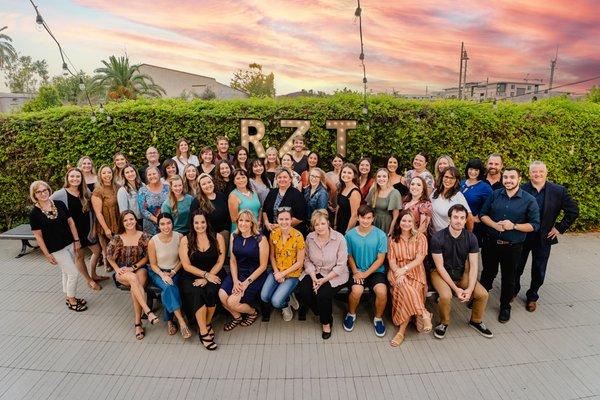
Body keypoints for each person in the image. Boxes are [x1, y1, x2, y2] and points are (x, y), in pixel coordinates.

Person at [515, 161, 579, 312]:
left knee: (539, 269)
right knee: (517, 266)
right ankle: (513, 291)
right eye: (534, 172)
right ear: (529, 173)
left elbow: (573, 210)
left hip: (544, 237)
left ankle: (532, 296)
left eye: (540, 172)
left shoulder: (558, 191)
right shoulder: (521, 189)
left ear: (546, 173)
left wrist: (559, 228)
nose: (537, 174)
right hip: (522, 235)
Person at [479, 167, 540, 323]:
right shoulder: (494, 195)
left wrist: (514, 226)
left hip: (513, 246)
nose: (508, 180)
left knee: (509, 278)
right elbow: (482, 215)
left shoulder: (529, 200)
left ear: (519, 179)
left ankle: (505, 306)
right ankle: (480, 298)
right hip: (491, 243)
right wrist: (493, 225)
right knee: (487, 273)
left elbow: (534, 225)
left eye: (512, 177)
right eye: (505, 177)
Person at [430, 204, 493, 339]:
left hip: (462, 272)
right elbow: (440, 267)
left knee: (482, 294)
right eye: (455, 217)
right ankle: (443, 323)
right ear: (449, 219)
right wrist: (456, 289)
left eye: (462, 218)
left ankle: (476, 321)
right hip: (440, 273)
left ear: (465, 220)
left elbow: (474, 265)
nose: (458, 221)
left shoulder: (471, 238)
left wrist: (469, 289)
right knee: (446, 296)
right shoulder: (437, 238)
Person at [30, 180, 87, 312]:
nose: (43, 193)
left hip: (69, 243)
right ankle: (72, 300)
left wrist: (76, 240)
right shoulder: (34, 214)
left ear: (49, 190)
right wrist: (47, 254)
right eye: (39, 192)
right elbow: (38, 236)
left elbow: (71, 222)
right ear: (35, 195)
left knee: (65, 272)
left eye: (45, 190)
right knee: (73, 273)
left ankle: (68, 296)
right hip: (55, 248)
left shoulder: (59, 204)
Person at [107, 210, 159, 341]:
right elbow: (109, 257)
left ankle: (138, 324)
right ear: (122, 223)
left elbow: (148, 257)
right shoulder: (117, 238)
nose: (129, 222)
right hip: (123, 272)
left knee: (135, 283)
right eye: (125, 220)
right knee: (132, 279)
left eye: (131, 219)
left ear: (136, 220)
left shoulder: (145, 236)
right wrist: (117, 269)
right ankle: (147, 312)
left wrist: (134, 267)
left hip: (140, 268)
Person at [297, 209, 349, 339]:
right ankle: (320, 311)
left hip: (334, 274)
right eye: (316, 225)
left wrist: (323, 281)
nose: (319, 227)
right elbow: (307, 259)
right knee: (303, 289)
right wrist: (314, 278)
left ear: (328, 223)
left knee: (323, 294)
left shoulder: (339, 239)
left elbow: (341, 265)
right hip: (315, 271)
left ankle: (326, 322)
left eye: (322, 223)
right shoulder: (310, 237)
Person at [179, 211, 226, 350]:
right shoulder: (186, 240)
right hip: (192, 275)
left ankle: (206, 323)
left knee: (212, 290)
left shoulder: (217, 237)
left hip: (214, 272)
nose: (200, 225)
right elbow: (186, 265)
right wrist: (205, 275)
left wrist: (209, 276)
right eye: (196, 223)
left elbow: (220, 260)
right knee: (197, 292)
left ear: (207, 222)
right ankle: (204, 331)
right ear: (192, 224)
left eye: (202, 222)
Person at [51, 168, 104, 291]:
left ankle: (94, 273)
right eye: (72, 176)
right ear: (67, 178)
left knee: (97, 251)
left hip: (87, 229)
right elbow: (46, 204)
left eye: (78, 177)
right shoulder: (60, 194)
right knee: (79, 257)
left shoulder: (86, 192)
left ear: (81, 179)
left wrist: (94, 227)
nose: (75, 179)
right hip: (73, 232)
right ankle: (89, 280)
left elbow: (94, 211)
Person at [387, 210, 432, 347]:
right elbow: (392, 261)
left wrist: (404, 270)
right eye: (403, 221)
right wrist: (398, 273)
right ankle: (423, 313)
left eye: (409, 221)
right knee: (405, 288)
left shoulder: (420, 237)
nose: (406, 224)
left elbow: (419, 259)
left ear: (414, 223)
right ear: (399, 222)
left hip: (415, 271)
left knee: (409, 290)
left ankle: (401, 332)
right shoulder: (392, 238)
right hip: (396, 271)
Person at [219, 210, 268, 331]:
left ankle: (252, 312)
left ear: (252, 223)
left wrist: (246, 283)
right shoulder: (234, 236)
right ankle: (237, 317)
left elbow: (263, 266)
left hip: (254, 275)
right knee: (222, 295)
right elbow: (233, 261)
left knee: (232, 302)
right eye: (241, 220)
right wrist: (235, 280)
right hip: (238, 272)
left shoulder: (261, 239)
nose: (243, 223)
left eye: (247, 221)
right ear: (237, 222)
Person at [343, 205, 388, 337]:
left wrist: (365, 274)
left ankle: (378, 318)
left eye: (369, 218)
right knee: (357, 291)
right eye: (362, 217)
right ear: (357, 218)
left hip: (375, 271)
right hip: (356, 270)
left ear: (373, 218)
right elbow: (349, 256)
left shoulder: (380, 235)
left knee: (382, 291)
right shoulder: (349, 235)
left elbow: (380, 259)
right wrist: (356, 272)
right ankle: (351, 314)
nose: (365, 221)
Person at [147, 213, 191, 339]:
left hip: (175, 270)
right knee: (168, 286)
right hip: (158, 272)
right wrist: (163, 275)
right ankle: (181, 322)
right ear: (158, 225)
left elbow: (183, 259)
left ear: (172, 223)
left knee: (169, 289)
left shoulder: (180, 237)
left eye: (168, 223)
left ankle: (170, 320)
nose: (166, 227)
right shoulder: (153, 241)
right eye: (162, 224)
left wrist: (173, 272)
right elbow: (153, 264)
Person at [261, 208, 305, 321]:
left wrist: (283, 274)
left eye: (287, 219)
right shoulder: (274, 234)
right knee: (264, 297)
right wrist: (276, 272)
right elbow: (272, 255)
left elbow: (300, 262)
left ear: (291, 220)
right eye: (281, 219)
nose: (284, 222)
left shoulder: (298, 236)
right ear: (277, 220)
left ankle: (285, 305)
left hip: (292, 274)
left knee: (276, 302)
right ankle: (288, 298)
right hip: (277, 271)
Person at [263, 167, 307, 236]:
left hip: (290, 234)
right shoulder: (272, 192)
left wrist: (279, 226)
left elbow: (299, 218)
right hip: (271, 232)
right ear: (276, 179)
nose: (282, 179)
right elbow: (264, 210)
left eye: (285, 177)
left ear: (290, 179)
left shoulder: (297, 195)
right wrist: (266, 223)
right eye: (279, 177)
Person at [91, 165, 119, 269]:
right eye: (104, 173)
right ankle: (109, 265)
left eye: (109, 172)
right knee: (107, 247)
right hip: (106, 223)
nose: (107, 175)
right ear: (100, 175)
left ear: (112, 174)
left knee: (118, 247)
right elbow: (98, 212)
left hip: (118, 221)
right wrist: (106, 229)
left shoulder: (118, 187)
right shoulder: (98, 191)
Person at [430, 167, 473, 233]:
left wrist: (468, 236)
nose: (448, 180)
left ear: (456, 180)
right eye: (446, 177)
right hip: (434, 236)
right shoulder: (435, 192)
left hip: (450, 237)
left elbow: (470, 219)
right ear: (442, 178)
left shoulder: (458, 196)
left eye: (452, 178)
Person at [195, 173, 231, 251]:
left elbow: (228, 216)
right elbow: (193, 221)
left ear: (213, 182)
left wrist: (226, 231)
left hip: (224, 234)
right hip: (206, 236)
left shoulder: (221, 196)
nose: (207, 185)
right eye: (204, 184)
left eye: (209, 182)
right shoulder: (197, 201)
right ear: (200, 187)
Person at [460, 158, 492, 244]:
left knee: (470, 251)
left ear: (480, 171)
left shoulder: (485, 187)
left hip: (474, 227)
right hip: (458, 223)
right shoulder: (460, 183)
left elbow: (490, 205)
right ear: (467, 169)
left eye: (476, 170)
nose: (473, 172)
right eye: (471, 169)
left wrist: (478, 217)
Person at [365, 168, 402, 236]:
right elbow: (367, 209)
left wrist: (391, 230)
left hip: (386, 223)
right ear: (376, 178)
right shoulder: (373, 190)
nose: (381, 179)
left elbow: (395, 216)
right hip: (373, 222)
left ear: (388, 178)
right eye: (379, 176)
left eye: (384, 176)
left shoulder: (394, 193)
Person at [138, 166, 170, 236]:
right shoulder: (142, 191)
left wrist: (165, 222)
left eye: (154, 173)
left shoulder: (168, 188)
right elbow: (143, 210)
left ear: (159, 174)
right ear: (146, 177)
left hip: (168, 225)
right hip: (150, 227)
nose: (152, 176)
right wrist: (157, 220)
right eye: (149, 174)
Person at [335, 163, 361, 233]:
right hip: (340, 223)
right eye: (344, 172)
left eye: (349, 173)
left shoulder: (354, 192)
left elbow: (355, 216)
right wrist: (335, 224)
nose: (346, 175)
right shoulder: (342, 187)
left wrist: (347, 232)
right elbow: (339, 206)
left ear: (354, 176)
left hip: (348, 225)